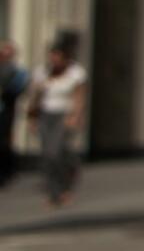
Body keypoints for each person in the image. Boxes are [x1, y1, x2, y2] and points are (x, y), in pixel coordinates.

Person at [27, 32, 87, 208]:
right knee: (47, 155)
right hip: (46, 114)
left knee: (56, 152)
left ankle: (67, 182)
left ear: (65, 57)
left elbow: (79, 96)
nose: (53, 59)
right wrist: (32, 117)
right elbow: (36, 97)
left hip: (64, 115)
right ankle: (54, 193)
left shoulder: (76, 73)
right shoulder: (42, 72)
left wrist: (76, 115)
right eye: (51, 56)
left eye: (57, 56)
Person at [0, 39, 27, 189]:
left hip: (6, 110)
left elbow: (18, 88)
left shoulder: (17, 71)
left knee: (4, 141)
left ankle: (6, 172)